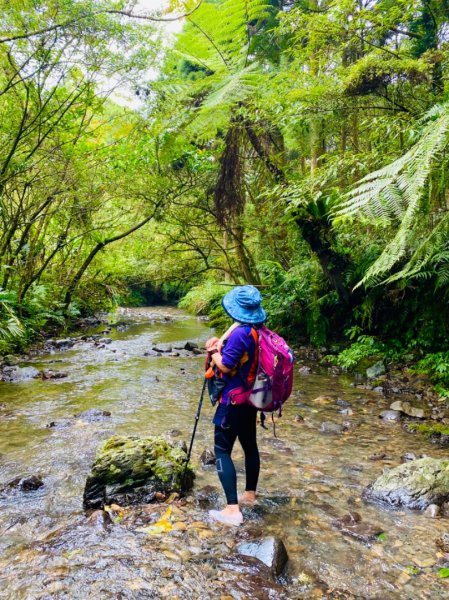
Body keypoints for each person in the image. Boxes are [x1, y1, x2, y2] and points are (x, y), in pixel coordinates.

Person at [205, 285, 266, 526]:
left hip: (232, 400)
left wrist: (213, 352)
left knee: (221, 451)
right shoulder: (256, 330)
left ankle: (232, 509)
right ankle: (250, 494)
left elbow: (227, 366)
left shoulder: (241, 334)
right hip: (250, 399)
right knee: (250, 446)